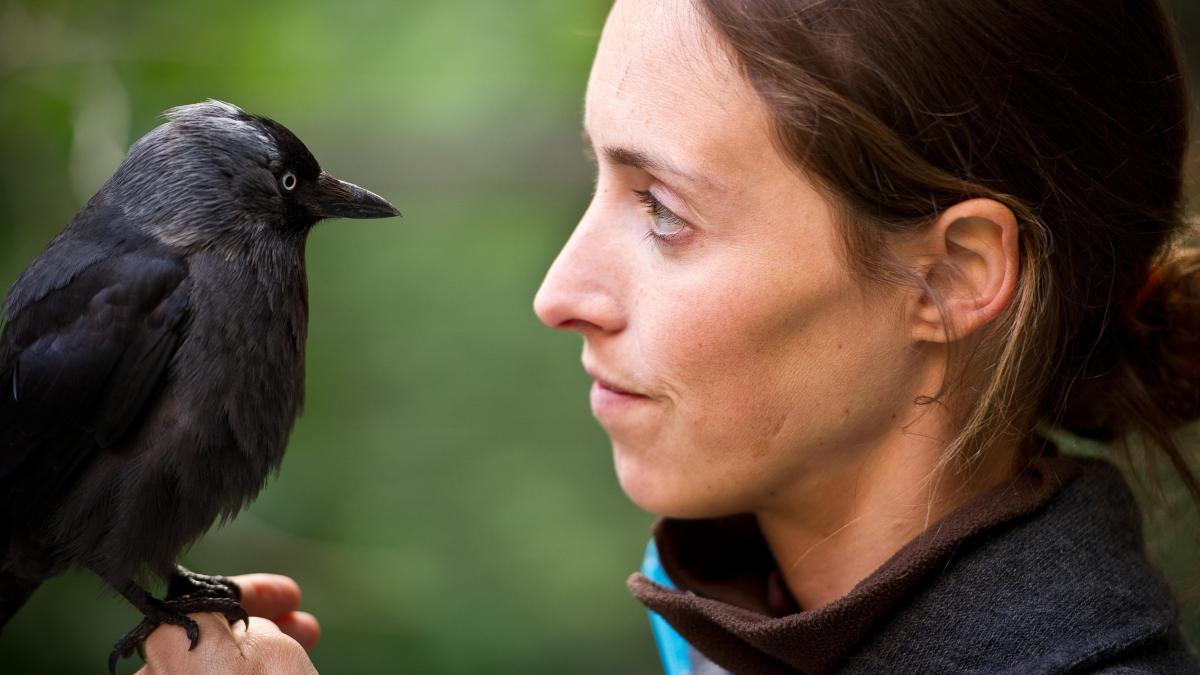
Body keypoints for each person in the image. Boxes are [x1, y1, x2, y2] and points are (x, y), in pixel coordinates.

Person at [143, 0, 1200, 672]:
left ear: (952, 274)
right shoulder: (748, 625)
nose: (560, 292)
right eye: (600, 177)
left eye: (663, 211)